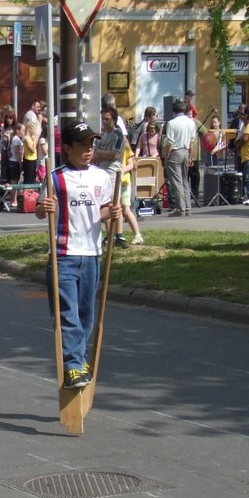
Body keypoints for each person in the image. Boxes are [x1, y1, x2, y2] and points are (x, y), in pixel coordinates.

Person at [35, 124, 117, 388]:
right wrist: (45, 207)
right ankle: (73, 366)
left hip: (91, 253)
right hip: (64, 255)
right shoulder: (56, 177)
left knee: (85, 315)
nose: (89, 150)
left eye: (91, 144)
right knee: (67, 313)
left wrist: (113, 214)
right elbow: (40, 210)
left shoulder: (101, 177)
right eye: (83, 145)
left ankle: (79, 360)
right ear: (68, 148)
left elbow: (102, 210)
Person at [98, 106, 143, 247]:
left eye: (107, 119)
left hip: (113, 174)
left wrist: (98, 154)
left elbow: (115, 154)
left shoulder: (118, 135)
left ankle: (119, 234)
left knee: (115, 205)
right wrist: (98, 156)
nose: (104, 122)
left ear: (114, 120)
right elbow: (94, 156)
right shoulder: (101, 136)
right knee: (105, 205)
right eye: (102, 119)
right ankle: (109, 234)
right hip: (101, 173)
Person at [160, 98, 196, 215]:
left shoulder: (172, 123)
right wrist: (191, 156)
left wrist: (166, 157)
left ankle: (180, 208)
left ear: (173, 110)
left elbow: (169, 142)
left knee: (176, 182)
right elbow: (192, 141)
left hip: (175, 152)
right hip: (186, 151)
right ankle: (188, 207)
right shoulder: (191, 122)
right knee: (185, 180)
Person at [198, 113, 226, 204]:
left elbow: (223, 144)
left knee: (218, 175)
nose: (214, 124)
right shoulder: (209, 133)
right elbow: (205, 143)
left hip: (218, 155)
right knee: (209, 174)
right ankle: (209, 195)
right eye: (213, 122)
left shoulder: (222, 133)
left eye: (215, 122)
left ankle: (219, 195)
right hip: (209, 156)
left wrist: (216, 149)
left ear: (219, 123)